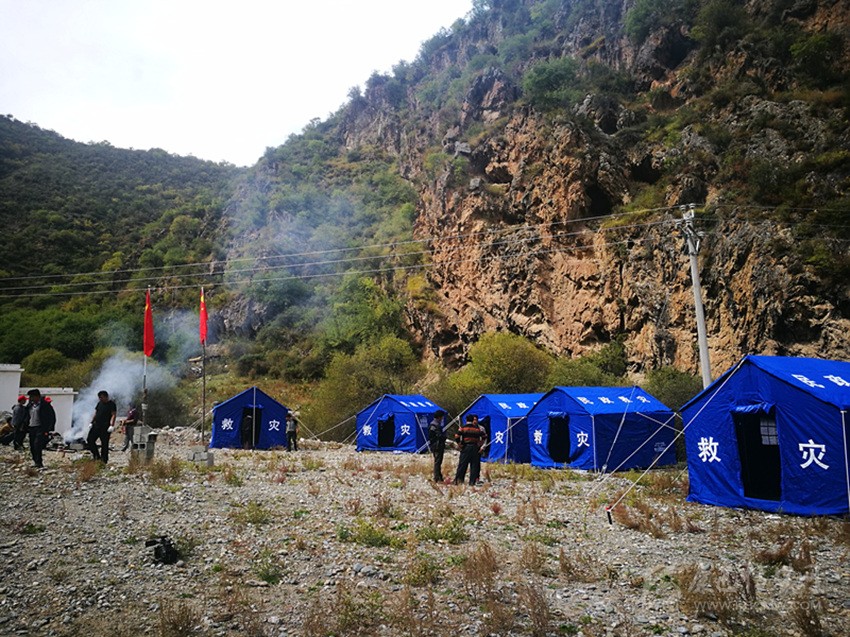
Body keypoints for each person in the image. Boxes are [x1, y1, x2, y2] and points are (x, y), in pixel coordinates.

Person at [26, 389, 55, 469]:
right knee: (32, 445)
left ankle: (39, 462)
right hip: (31, 428)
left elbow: (51, 417)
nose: (31, 398)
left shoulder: (45, 405)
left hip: (40, 428)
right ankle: (35, 461)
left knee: (37, 445)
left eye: (32, 396)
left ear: (37, 396)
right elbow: (26, 416)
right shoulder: (30, 406)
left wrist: (48, 429)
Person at [454, 414, 485, 486]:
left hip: (465, 447)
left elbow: (457, 436)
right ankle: (472, 482)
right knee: (474, 465)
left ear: (466, 420)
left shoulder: (463, 428)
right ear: (472, 420)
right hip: (475, 447)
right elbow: (484, 436)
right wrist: (480, 443)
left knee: (462, 464)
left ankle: (459, 480)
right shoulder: (477, 429)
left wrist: (459, 444)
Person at [87, 390, 116, 464]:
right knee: (90, 440)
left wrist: (112, 425)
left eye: (101, 397)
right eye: (99, 397)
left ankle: (104, 460)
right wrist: (91, 422)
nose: (100, 399)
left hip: (105, 427)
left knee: (104, 444)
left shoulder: (111, 404)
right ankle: (96, 456)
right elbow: (96, 413)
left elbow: (113, 415)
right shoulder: (99, 403)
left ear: (106, 397)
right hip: (96, 425)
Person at [428, 410, 447, 482]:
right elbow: (438, 436)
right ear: (439, 417)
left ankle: (439, 476)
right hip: (437, 446)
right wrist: (444, 437)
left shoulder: (433, 424)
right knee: (438, 462)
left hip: (435, 445)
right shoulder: (435, 425)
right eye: (442, 417)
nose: (442, 419)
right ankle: (437, 477)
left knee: (438, 461)